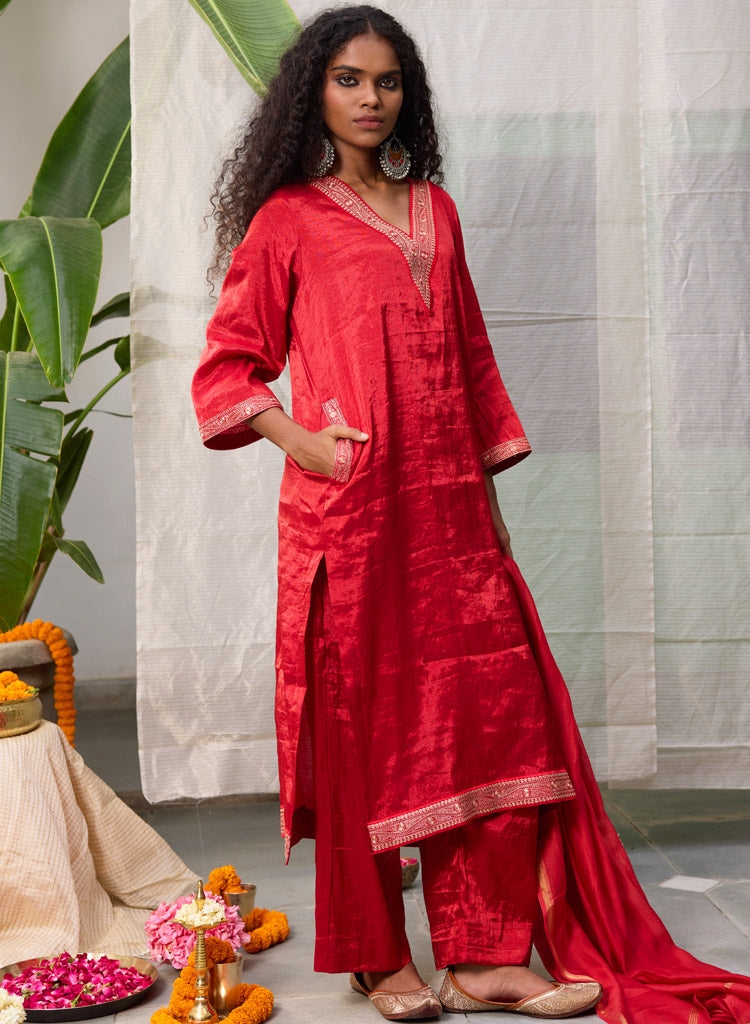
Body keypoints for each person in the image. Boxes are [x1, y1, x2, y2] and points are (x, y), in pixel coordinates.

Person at [192, 6, 750, 1022]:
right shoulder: (288, 221)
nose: (371, 98)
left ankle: (485, 954)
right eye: (349, 79)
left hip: (450, 515)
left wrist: (488, 512)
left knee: (489, 720)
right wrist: (304, 442)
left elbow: (470, 356)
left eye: (388, 80)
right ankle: (376, 955)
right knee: (363, 728)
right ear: (314, 93)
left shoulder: (434, 211)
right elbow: (228, 367)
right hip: (351, 520)